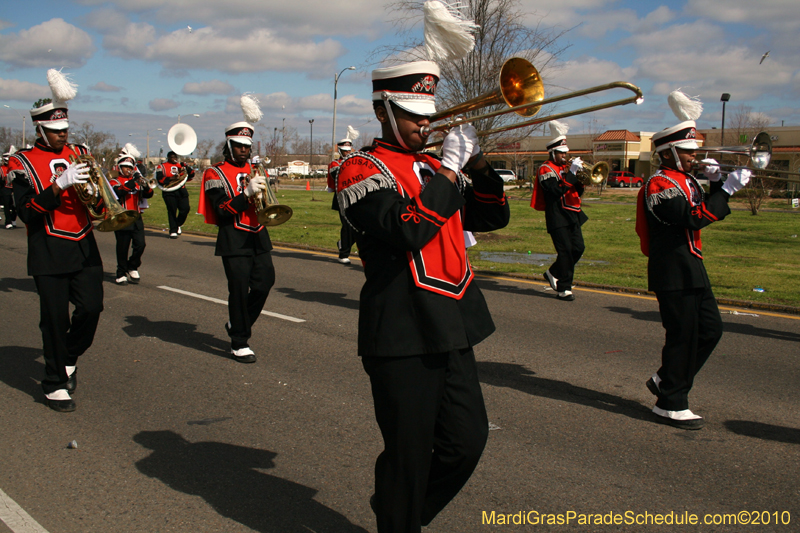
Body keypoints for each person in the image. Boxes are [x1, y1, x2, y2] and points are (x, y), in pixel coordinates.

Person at [336, 61, 510, 533]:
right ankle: (400, 516)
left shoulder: (435, 167)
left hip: (451, 324)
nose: (425, 123)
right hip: (401, 331)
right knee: (408, 457)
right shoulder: (358, 170)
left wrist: (474, 162)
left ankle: (398, 512)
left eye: (427, 113)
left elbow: (493, 217)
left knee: (466, 443)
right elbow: (406, 229)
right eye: (413, 113)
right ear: (383, 112)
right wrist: (451, 170)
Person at [636, 119, 750, 430]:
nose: (693, 157)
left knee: (711, 329)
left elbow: (706, 209)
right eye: (687, 151)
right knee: (682, 336)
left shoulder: (685, 181)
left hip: (691, 266)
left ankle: (666, 379)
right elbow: (693, 218)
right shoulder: (658, 185)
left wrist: (716, 184)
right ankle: (670, 403)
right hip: (671, 269)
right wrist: (725, 189)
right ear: (668, 152)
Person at [8, 71, 104, 412]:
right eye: (54, 132)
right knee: (53, 318)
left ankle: (68, 357)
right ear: (39, 130)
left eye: (64, 130)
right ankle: (53, 383)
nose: (62, 136)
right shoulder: (21, 162)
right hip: (48, 249)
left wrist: (103, 198)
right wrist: (58, 185)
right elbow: (26, 212)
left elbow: (98, 198)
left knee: (92, 308)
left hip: (84, 243)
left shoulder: (79, 150)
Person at [198, 119, 275, 364]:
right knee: (239, 291)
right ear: (229, 145)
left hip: (258, 233)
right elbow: (221, 209)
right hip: (234, 238)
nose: (244, 150)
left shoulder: (255, 170)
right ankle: (239, 342)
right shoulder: (215, 172)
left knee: (265, 283)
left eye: (247, 146)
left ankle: (237, 323)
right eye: (239, 145)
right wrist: (247, 193)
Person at [531, 123, 587, 301]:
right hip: (557, 216)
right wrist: (570, 173)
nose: (565, 156)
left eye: (565, 153)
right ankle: (565, 288)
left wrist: (580, 177)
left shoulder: (566, 169)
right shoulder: (545, 169)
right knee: (566, 252)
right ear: (552, 153)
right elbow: (555, 191)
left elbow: (577, 192)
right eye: (561, 153)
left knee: (578, 248)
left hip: (573, 213)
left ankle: (553, 272)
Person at [109, 145, 153, 285]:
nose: (129, 169)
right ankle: (121, 272)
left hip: (136, 217)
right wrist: (134, 181)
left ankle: (132, 266)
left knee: (140, 245)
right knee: (122, 247)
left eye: (131, 167)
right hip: (122, 218)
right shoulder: (114, 181)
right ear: (120, 168)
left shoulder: (137, 181)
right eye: (126, 167)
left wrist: (146, 186)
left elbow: (149, 195)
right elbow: (120, 192)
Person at [327, 132, 358, 264]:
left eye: (348, 150)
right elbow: (338, 176)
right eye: (344, 151)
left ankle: (343, 244)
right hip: (342, 197)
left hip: (355, 197)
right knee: (347, 226)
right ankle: (343, 254)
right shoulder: (334, 164)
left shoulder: (355, 162)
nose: (347, 153)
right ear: (340, 150)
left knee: (358, 226)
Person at [155, 150, 194, 238]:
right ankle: (173, 230)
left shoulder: (181, 165)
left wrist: (187, 167)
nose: (174, 159)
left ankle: (177, 224)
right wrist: (171, 178)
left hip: (181, 190)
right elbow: (160, 179)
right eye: (172, 157)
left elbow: (191, 175)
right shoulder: (161, 166)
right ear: (168, 157)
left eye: (175, 157)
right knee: (172, 210)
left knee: (185, 209)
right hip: (169, 191)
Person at [2, 147, 17, 229]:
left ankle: (13, 219)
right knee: (7, 206)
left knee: (15, 206)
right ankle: (8, 222)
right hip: (6, 188)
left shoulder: (14, 166)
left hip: (15, 189)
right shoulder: (1, 168)